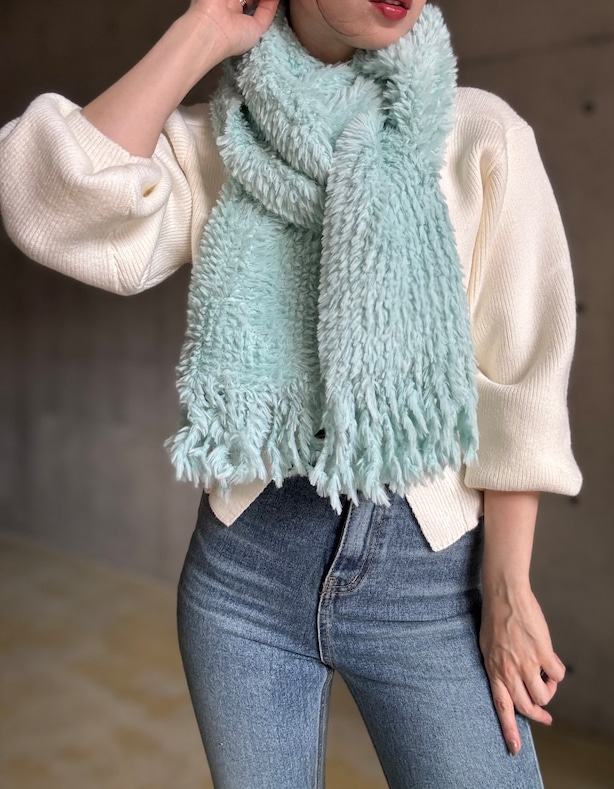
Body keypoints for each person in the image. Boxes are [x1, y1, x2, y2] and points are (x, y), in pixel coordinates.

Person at [0, 1, 583, 786]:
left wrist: (507, 587)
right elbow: (46, 199)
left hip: (431, 583)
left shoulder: (478, 134)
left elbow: (522, 376)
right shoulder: (222, 142)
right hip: (246, 575)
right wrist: (205, 29)